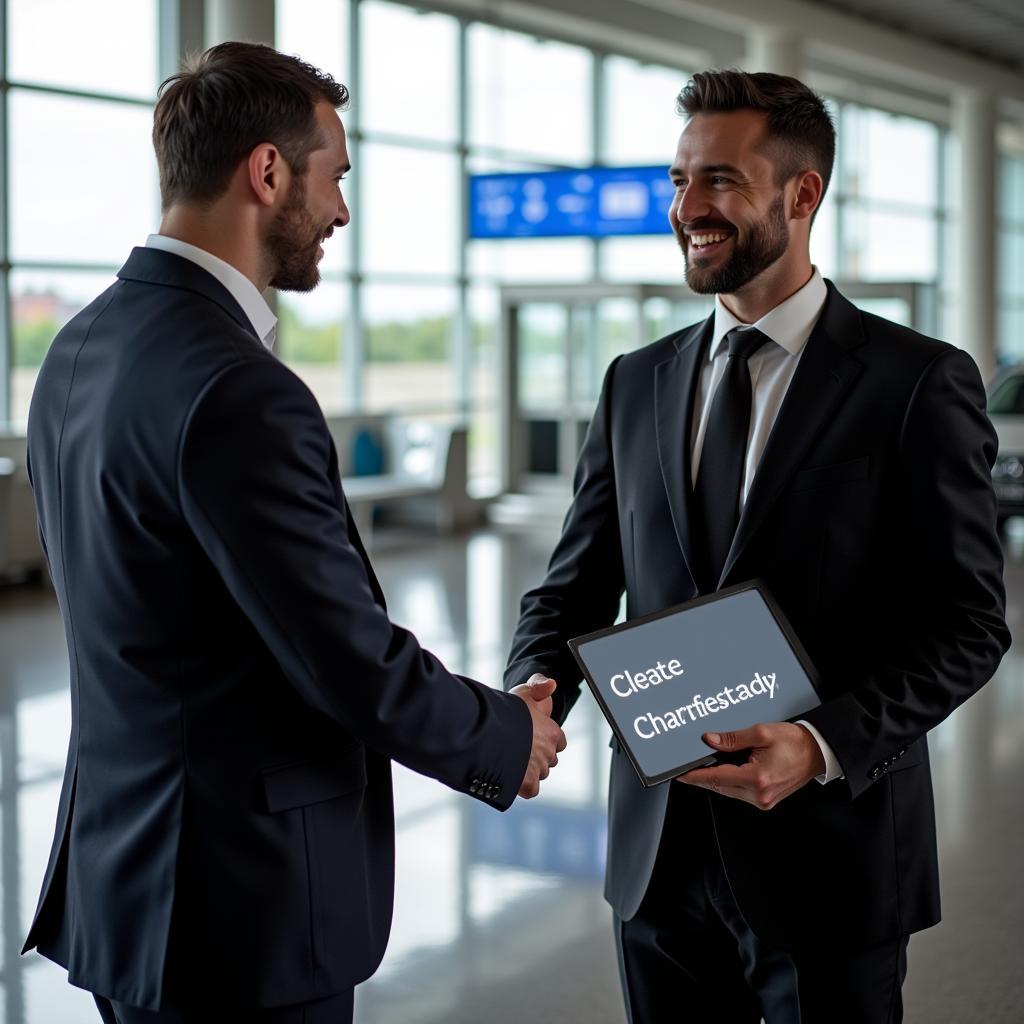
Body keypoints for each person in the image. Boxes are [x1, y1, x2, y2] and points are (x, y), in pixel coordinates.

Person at [22, 42, 565, 1024]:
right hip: (242, 905)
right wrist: (504, 734)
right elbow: (344, 657)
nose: (342, 212)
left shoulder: (78, 348)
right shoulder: (239, 390)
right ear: (268, 172)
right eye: (336, 177)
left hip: (127, 881)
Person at [505, 69, 1008, 1024]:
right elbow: (574, 585)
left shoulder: (915, 383)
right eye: (678, 179)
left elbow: (970, 623)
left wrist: (821, 745)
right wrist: (535, 683)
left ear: (802, 194)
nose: (687, 208)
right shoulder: (636, 382)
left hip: (831, 855)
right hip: (657, 862)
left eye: (720, 182)